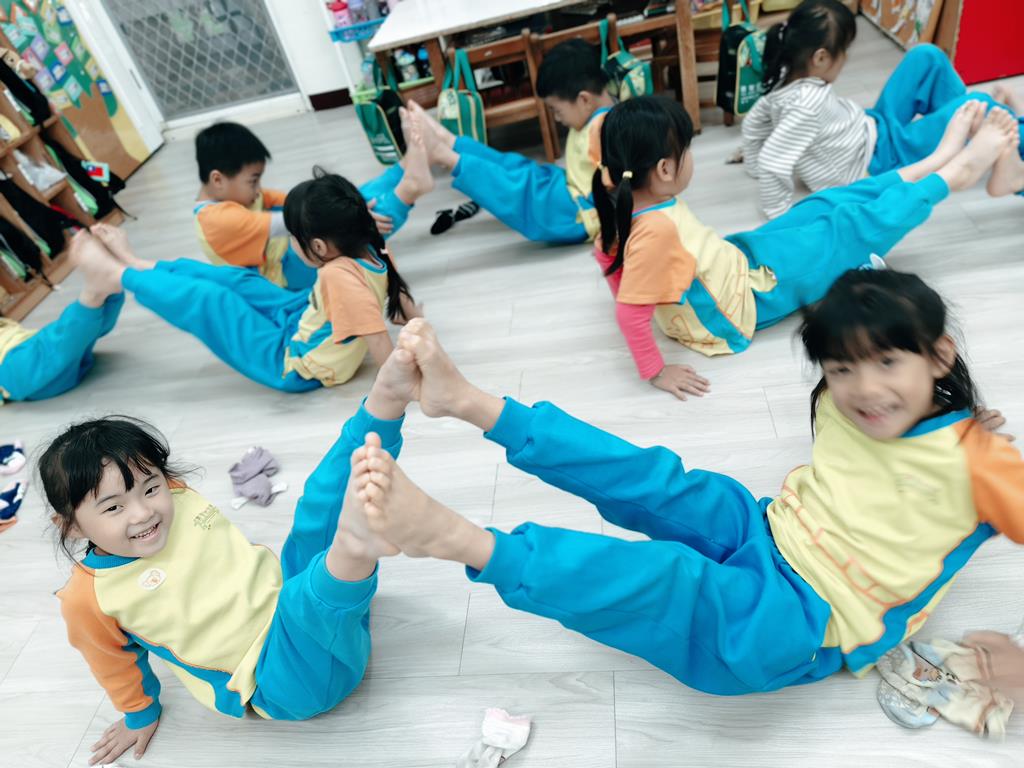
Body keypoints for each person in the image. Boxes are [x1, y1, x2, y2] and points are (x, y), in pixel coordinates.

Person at [340, 279, 1024, 696]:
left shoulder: (982, 467)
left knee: (674, 579)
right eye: (843, 368)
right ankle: (469, 402)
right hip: (769, 527)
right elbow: (872, 467)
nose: (864, 389)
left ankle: (464, 542)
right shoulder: (840, 400)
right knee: (659, 481)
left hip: (807, 617)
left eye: (887, 363)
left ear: (940, 356)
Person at [48, 344, 420, 765]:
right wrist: (140, 714)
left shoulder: (177, 497)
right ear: (72, 526)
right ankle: (356, 549)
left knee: (317, 509)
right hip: (280, 677)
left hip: (295, 600)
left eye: (150, 488)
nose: (143, 512)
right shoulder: (90, 597)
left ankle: (384, 406)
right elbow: (112, 661)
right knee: (317, 587)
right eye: (114, 508)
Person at [592, 95, 1015, 400]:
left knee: (821, 205)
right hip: (746, 298)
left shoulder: (623, 200)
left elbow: (608, 260)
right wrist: (656, 371)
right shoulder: (654, 232)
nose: (691, 159)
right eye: (688, 152)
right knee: (846, 229)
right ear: (665, 169)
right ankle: (954, 175)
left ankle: (930, 164)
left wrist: (648, 291)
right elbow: (630, 312)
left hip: (733, 262)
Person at [78, 163, 421, 393]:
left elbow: (377, 338)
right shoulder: (372, 248)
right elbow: (395, 289)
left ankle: (119, 274)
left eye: (294, 238)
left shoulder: (338, 276)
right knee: (236, 279)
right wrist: (415, 322)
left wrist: (398, 382)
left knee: (211, 301)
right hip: (304, 316)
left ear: (318, 246)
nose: (292, 243)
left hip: (295, 362)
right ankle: (138, 264)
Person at [741, 0, 1024, 218]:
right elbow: (773, 162)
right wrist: (779, 215)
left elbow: (754, 122)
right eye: (844, 51)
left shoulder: (783, 78)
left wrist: (752, 164)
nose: (845, 58)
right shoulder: (806, 106)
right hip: (877, 163)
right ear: (821, 58)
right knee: (978, 104)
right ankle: (1014, 169)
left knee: (927, 57)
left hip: (870, 132)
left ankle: (977, 130)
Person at [408, 38, 614, 244]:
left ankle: (444, 154)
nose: (557, 118)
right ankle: (450, 142)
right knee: (518, 168)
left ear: (584, 100)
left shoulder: (606, 130)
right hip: (571, 191)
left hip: (579, 213)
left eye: (557, 110)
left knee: (519, 188)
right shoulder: (598, 118)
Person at [193, 121, 434, 289]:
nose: (258, 190)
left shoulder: (234, 196)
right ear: (218, 179)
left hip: (288, 252)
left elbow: (295, 202)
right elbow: (290, 221)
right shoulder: (218, 220)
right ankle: (408, 189)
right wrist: (355, 215)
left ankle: (405, 166)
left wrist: (342, 199)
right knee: (343, 228)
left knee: (341, 198)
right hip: (285, 275)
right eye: (253, 181)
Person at [0, 234, 124, 403]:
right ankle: (96, 294)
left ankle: (104, 292)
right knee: (58, 344)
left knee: (73, 335)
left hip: (30, 348)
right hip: (13, 369)